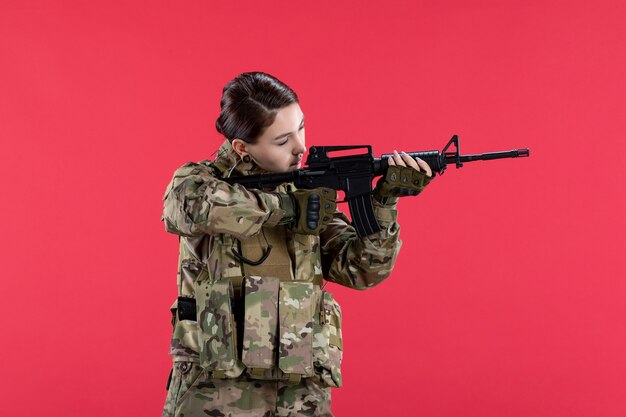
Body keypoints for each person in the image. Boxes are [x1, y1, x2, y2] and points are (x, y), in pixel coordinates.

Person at [161, 72, 433, 417]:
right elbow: (187, 205)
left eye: (301, 128)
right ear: (241, 147)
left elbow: (362, 270)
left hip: (299, 393)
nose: (300, 147)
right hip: (217, 392)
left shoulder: (308, 196)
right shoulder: (200, 183)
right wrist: (287, 210)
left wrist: (382, 204)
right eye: (282, 140)